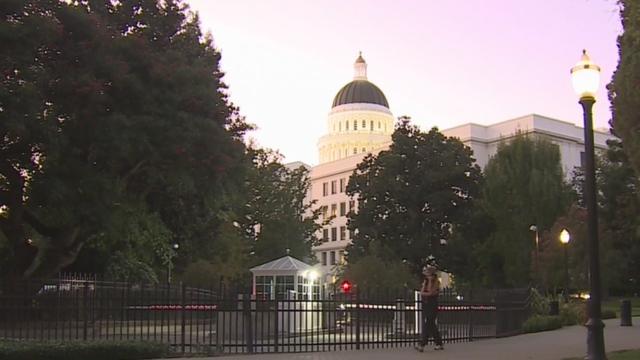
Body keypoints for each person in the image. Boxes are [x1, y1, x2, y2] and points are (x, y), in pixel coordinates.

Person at [416, 265, 443, 352]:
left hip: (432, 304)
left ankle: (422, 344)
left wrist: (431, 281)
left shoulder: (436, 282)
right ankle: (439, 343)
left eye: (427, 273)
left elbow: (431, 292)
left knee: (428, 323)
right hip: (426, 304)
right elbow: (422, 292)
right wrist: (426, 285)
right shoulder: (426, 281)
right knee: (431, 324)